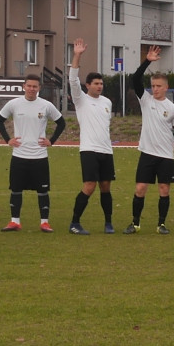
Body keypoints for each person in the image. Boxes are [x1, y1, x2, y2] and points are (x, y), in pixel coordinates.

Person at [122, 46, 174, 234]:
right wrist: (147, 61)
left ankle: (161, 224)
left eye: (158, 86)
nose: (155, 89)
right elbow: (135, 79)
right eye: (153, 86)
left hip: (165, 155)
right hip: (147, 154)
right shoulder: (146, 100)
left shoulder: (173, 109)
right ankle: (135, 223)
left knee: (164, 189)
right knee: (140, 188)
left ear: (166, 87)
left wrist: (165, 139)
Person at [0, 73, 66, 232]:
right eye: (29, 86)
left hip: (39, 156)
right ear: (23, 87)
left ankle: (44, 222)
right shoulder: (14, 104)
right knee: (16, 189)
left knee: (42, 190)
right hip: (19, 155)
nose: (32, 89)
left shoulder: (46, 105)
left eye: (35, 86)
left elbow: (61, 123)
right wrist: (8, 139)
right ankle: (15, 221)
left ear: (39, 88)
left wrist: (51, 140)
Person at [65, 39, 116, 235]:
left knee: (105, 187)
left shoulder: (107, 102)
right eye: (96, 83)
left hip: (106, 150)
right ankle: (74, 223)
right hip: (89, 150)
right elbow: (72, 80)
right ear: (88, 85)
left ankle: (108, 223)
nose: (100, 86)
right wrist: (77, 55)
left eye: (101, 83)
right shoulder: (81, 99)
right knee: (89, 186)